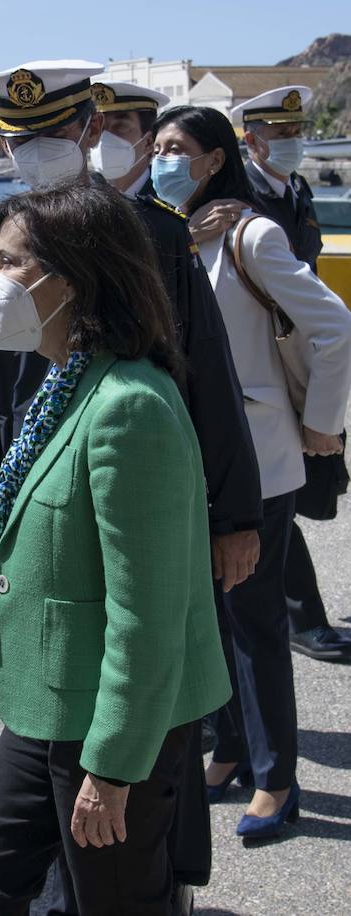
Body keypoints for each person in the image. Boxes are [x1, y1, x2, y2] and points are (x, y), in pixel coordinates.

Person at [0, 60, 260, 908]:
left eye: (50, 133)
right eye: (19, 138)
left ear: (87, 128)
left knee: (125, 873)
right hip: (49, 557)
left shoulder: (147, 251)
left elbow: (211, 388)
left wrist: (234, 514)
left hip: (123, 569)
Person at [152, 104, 351, 840]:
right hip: (187, 456)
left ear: (212, 160)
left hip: (261, 458)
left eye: (177, 148)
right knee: (203, 616)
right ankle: (230, 748)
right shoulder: (167, 232)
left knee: (254, 622)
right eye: (157, 147)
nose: (162, 159)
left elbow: (333, 326)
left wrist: (320, 425)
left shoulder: (252, 233)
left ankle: (278, 779)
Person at [230, 87, 350, 664]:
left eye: (295, 133)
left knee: (300, 493)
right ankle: (304, 620)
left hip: (300, 360)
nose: (292, 143)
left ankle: (300, 617)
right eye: (280, 135)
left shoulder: (293, 188)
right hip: (267, 366)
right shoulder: (241, 199)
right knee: (276, 500)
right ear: (251, 140)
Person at [88, 81, 168, 199]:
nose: (104, 138)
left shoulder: (169, 199)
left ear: (149, 142)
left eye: (120, 127)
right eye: (99, 128)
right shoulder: (83, 199)